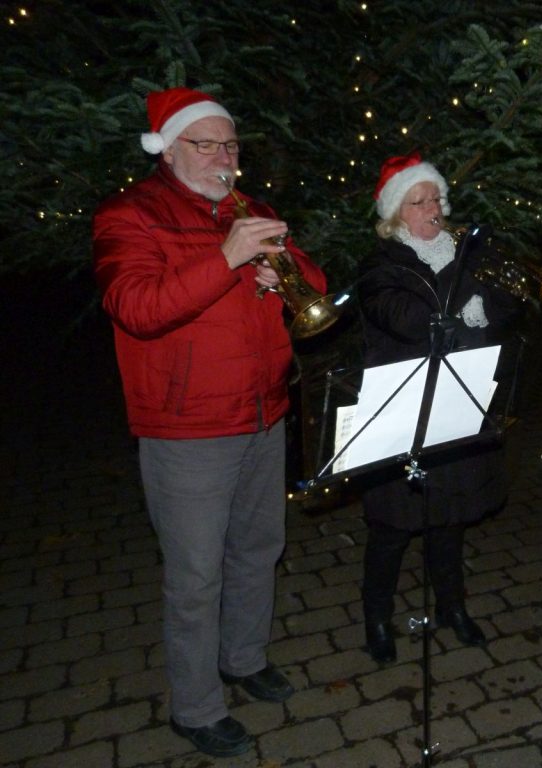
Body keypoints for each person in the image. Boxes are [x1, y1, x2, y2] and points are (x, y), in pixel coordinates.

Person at [93, 87, 325, 758]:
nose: (224, 157)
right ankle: (195, 707)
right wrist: (225, 259)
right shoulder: (129, 214)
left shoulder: (251, 209)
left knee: (258, 549)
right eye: (208, 144)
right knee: (195, 577)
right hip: (185, 425)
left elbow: (309, 279)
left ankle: (244, 660)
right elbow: (136, 306)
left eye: (231, 145)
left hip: (264, 410)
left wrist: (280, 272)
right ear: (169, 148)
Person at [356, 152, 520, 663]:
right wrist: (464, 266)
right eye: (417, 201)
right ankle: (377, 619)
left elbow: (506, 312)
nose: (432, 208)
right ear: (394, 214)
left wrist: (496, 280)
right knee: (392, 529)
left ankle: (452, 606)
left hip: (459, 403)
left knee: (450, 520)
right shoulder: (381, 266)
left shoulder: (462, 256)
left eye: (435, 198)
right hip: (404, 411)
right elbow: (412, 319)